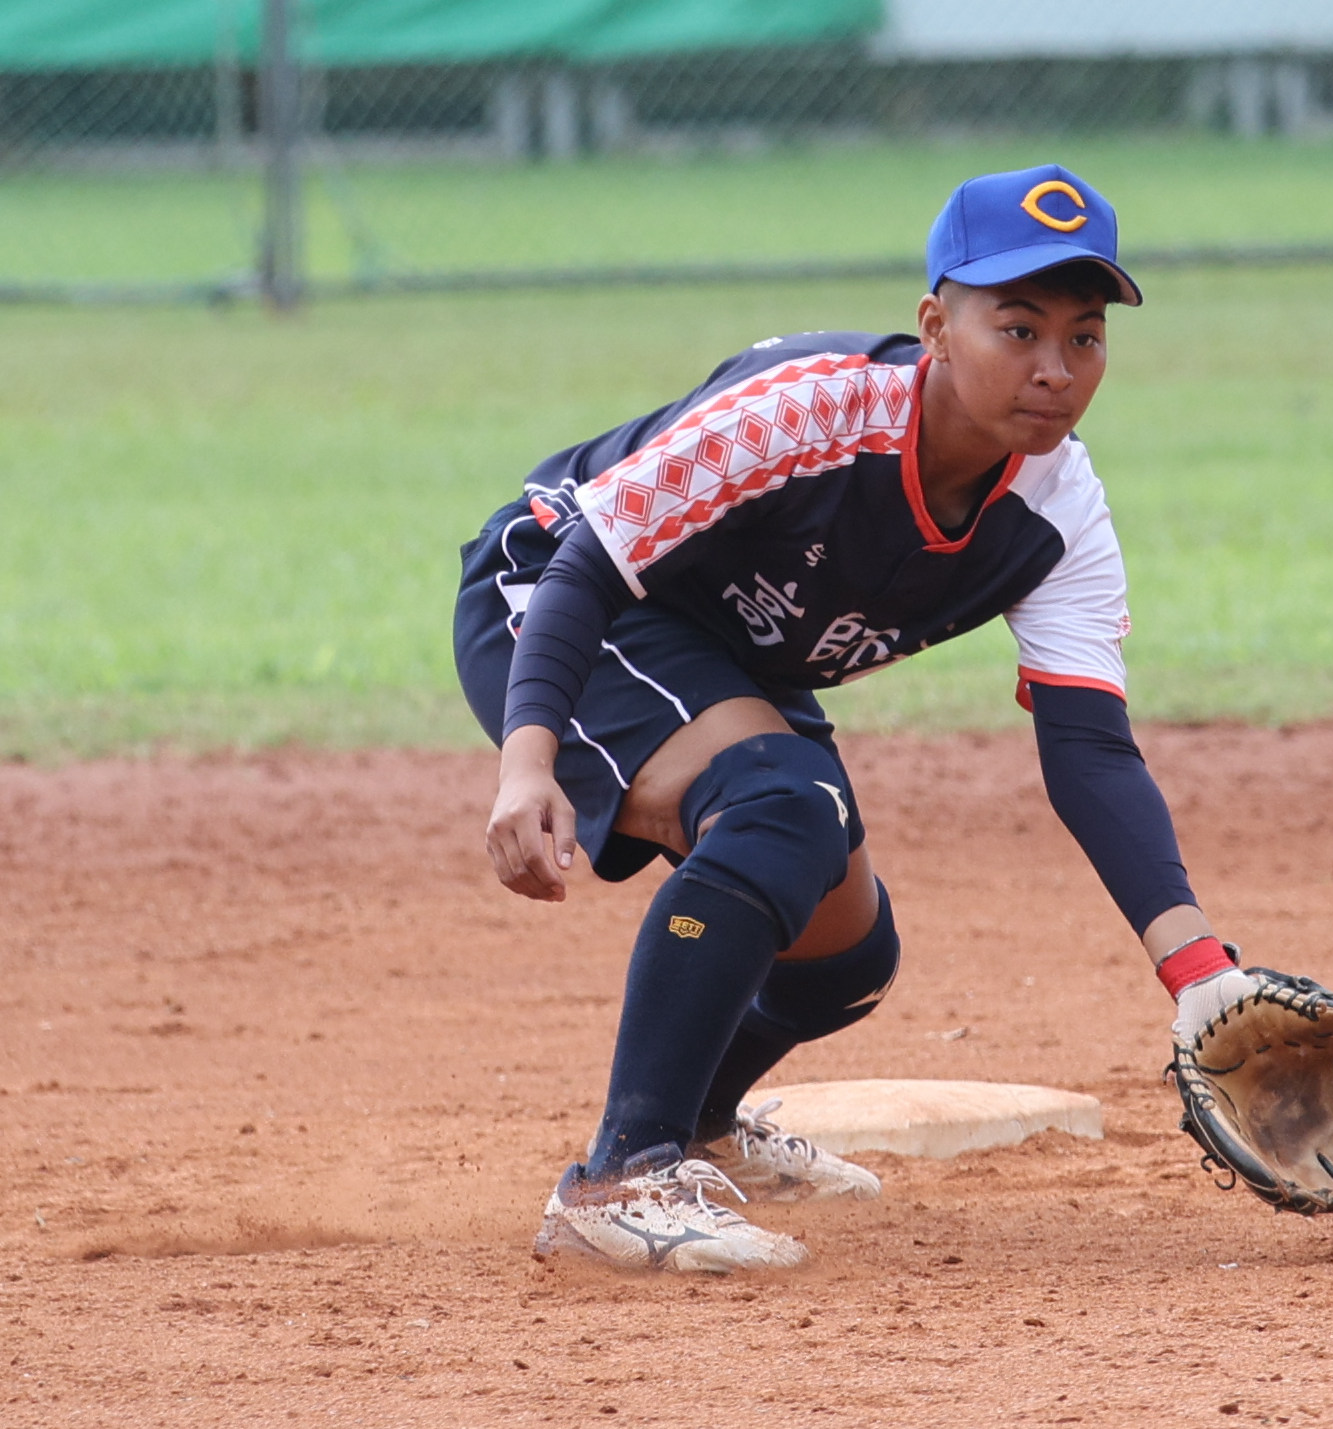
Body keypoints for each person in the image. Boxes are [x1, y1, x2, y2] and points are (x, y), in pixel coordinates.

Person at [453, 164, 1253, 1273]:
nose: (1054, 369)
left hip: (710, 646)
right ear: (936, 322)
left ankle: (703, 1127)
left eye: (1085, 336)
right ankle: (620, 1176)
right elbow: (592, 556)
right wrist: (525, 763)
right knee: (786, 810)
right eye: (1015, 327)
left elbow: (1088, 750)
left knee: (844, 955)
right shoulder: (812, 408)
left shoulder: (1054, 506)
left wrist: (1200, 973)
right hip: (557, 596)